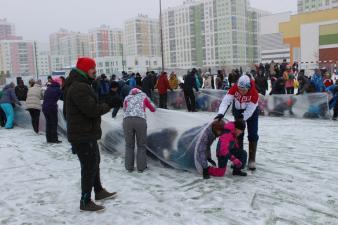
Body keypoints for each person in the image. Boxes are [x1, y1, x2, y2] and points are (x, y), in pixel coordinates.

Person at [63, 57, 117, 212]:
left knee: (95, 162)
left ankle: (98, 191)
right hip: (82, 134)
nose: (96, 70)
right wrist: (109, 104)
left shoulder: (83, 85)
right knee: (89, 166)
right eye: (93, 68)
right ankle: (85, 201)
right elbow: (92, 110)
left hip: (86, 132)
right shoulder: (79, 87)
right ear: (86, 69)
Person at [215, 75, 259, 171]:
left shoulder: (254, 93)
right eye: (239, 89)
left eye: (244, 90)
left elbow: (250, 109)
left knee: (253, 134)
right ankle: (239, 158)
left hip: (251, 112)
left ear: (248, 87)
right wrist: (221, 113)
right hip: (238, 110)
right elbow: (226, 101)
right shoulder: (234, 88)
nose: (241, 92)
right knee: (237, 134)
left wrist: (243, 117)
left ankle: (251, 160)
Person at [123, 88, 156, 173]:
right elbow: (152, 108)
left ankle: (129, 167)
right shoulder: (143, 97)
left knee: (129, 145)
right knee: (141, 145)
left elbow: (124, 109)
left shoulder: (127, 98)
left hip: (127, 121)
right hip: (140, 120)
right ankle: (141, 167)